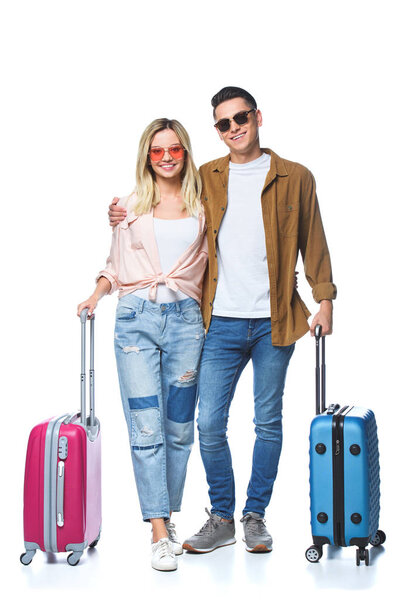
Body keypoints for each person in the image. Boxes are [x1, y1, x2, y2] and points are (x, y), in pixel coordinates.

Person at [108, 86, 337, 556]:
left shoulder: (296, 176)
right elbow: (163, 193)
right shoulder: (207, 176)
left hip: (276, 320)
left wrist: (325, 298)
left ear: (257, 116)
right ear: (217, 130)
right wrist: (121, 208)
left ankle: (255, 516)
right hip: (218, 322)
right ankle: (222, 516)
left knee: (267, 422)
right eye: (224, 123)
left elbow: (313, 238)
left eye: (241, 118)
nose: (234, 128)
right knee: (209, 424)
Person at [78, 118, 208, 571]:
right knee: (146, 427)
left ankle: (168, 516)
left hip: (187, 323)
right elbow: (114, 265)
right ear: (146, 156)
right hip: (136, 320)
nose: (167, 157)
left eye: (174, 149)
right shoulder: (130, 205)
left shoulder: (204, 205)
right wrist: (96, 294)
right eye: (157, 151)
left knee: (178, 428)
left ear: (186, 153)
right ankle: (157, 530)